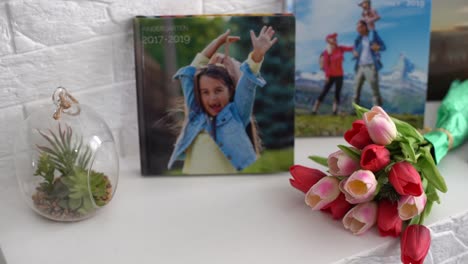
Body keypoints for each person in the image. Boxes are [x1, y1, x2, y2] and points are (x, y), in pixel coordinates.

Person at [167, 27, 278, 174]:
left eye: (218, 90)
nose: (212, 98)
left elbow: (247, 85)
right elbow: (189, 75)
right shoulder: (196, 115)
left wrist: (257, 55)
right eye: (205, 92)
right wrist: (216, 42)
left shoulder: (236, 115)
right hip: (192, 189)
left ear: (230, 90)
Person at [312, 33, 354, 115]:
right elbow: (326, 65)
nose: (335, 39)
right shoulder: (326, 52)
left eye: (335, 38)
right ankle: (314, 110)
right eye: (333, 38)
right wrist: (327, 76)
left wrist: (359, 46)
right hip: (330, 76)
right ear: (328, 40)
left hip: (340, 75)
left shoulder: (340, 49)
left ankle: (335, 111)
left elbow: (351, 48)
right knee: (324, 92)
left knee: (337, 93)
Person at [352, 20, 385, 107]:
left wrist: (378, 47)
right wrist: (355, 52)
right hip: (360, 66)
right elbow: (355, 49)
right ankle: (355, 109)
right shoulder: (358, 39)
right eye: (357, 28)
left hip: (371, 66)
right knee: (356, 88)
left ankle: (377, 111)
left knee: (374, 89)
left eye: (359, 27)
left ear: (364, 27)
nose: (357, 29)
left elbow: (383, 47)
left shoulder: (373, 36)